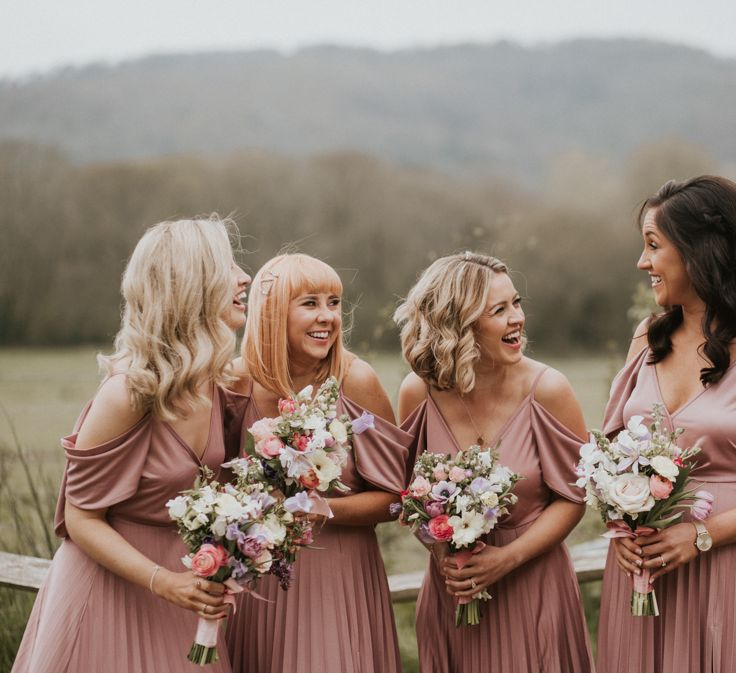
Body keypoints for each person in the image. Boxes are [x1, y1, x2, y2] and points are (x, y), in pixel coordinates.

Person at [12, 216, 251, 673]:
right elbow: (81, 518)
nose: (245, 278)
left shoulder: (217, 383)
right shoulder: (129, 393)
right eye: (229, 266)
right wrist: (164, 583)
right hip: (111, 596)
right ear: (191, 285)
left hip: (186, 599)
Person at [395, 251, 594, 673]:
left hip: (534, 586)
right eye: (498, 310)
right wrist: (441, 546)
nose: (517, 319)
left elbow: (574, 498)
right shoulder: (418, 392)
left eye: (516, 304)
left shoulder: (548, 389)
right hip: (454, 591)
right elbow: (410, 496)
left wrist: (508, 558)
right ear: (459, 323)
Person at [225, 253, 412, 673]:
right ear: (272, 312)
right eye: (310, 303)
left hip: (340, 579)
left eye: (334, 303)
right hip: (257, 581)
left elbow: (396, 499)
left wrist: (317, 508)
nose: (327, 316)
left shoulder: (355, 381)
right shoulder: (234, 382)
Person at [597, 175, 736, 673]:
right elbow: (608, 450)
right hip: (644, 572)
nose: (642, 263)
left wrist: (701, 536)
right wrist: (618, 515)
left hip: (725, 569)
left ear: (701, 250)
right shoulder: (648, 336)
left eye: (653, 246)